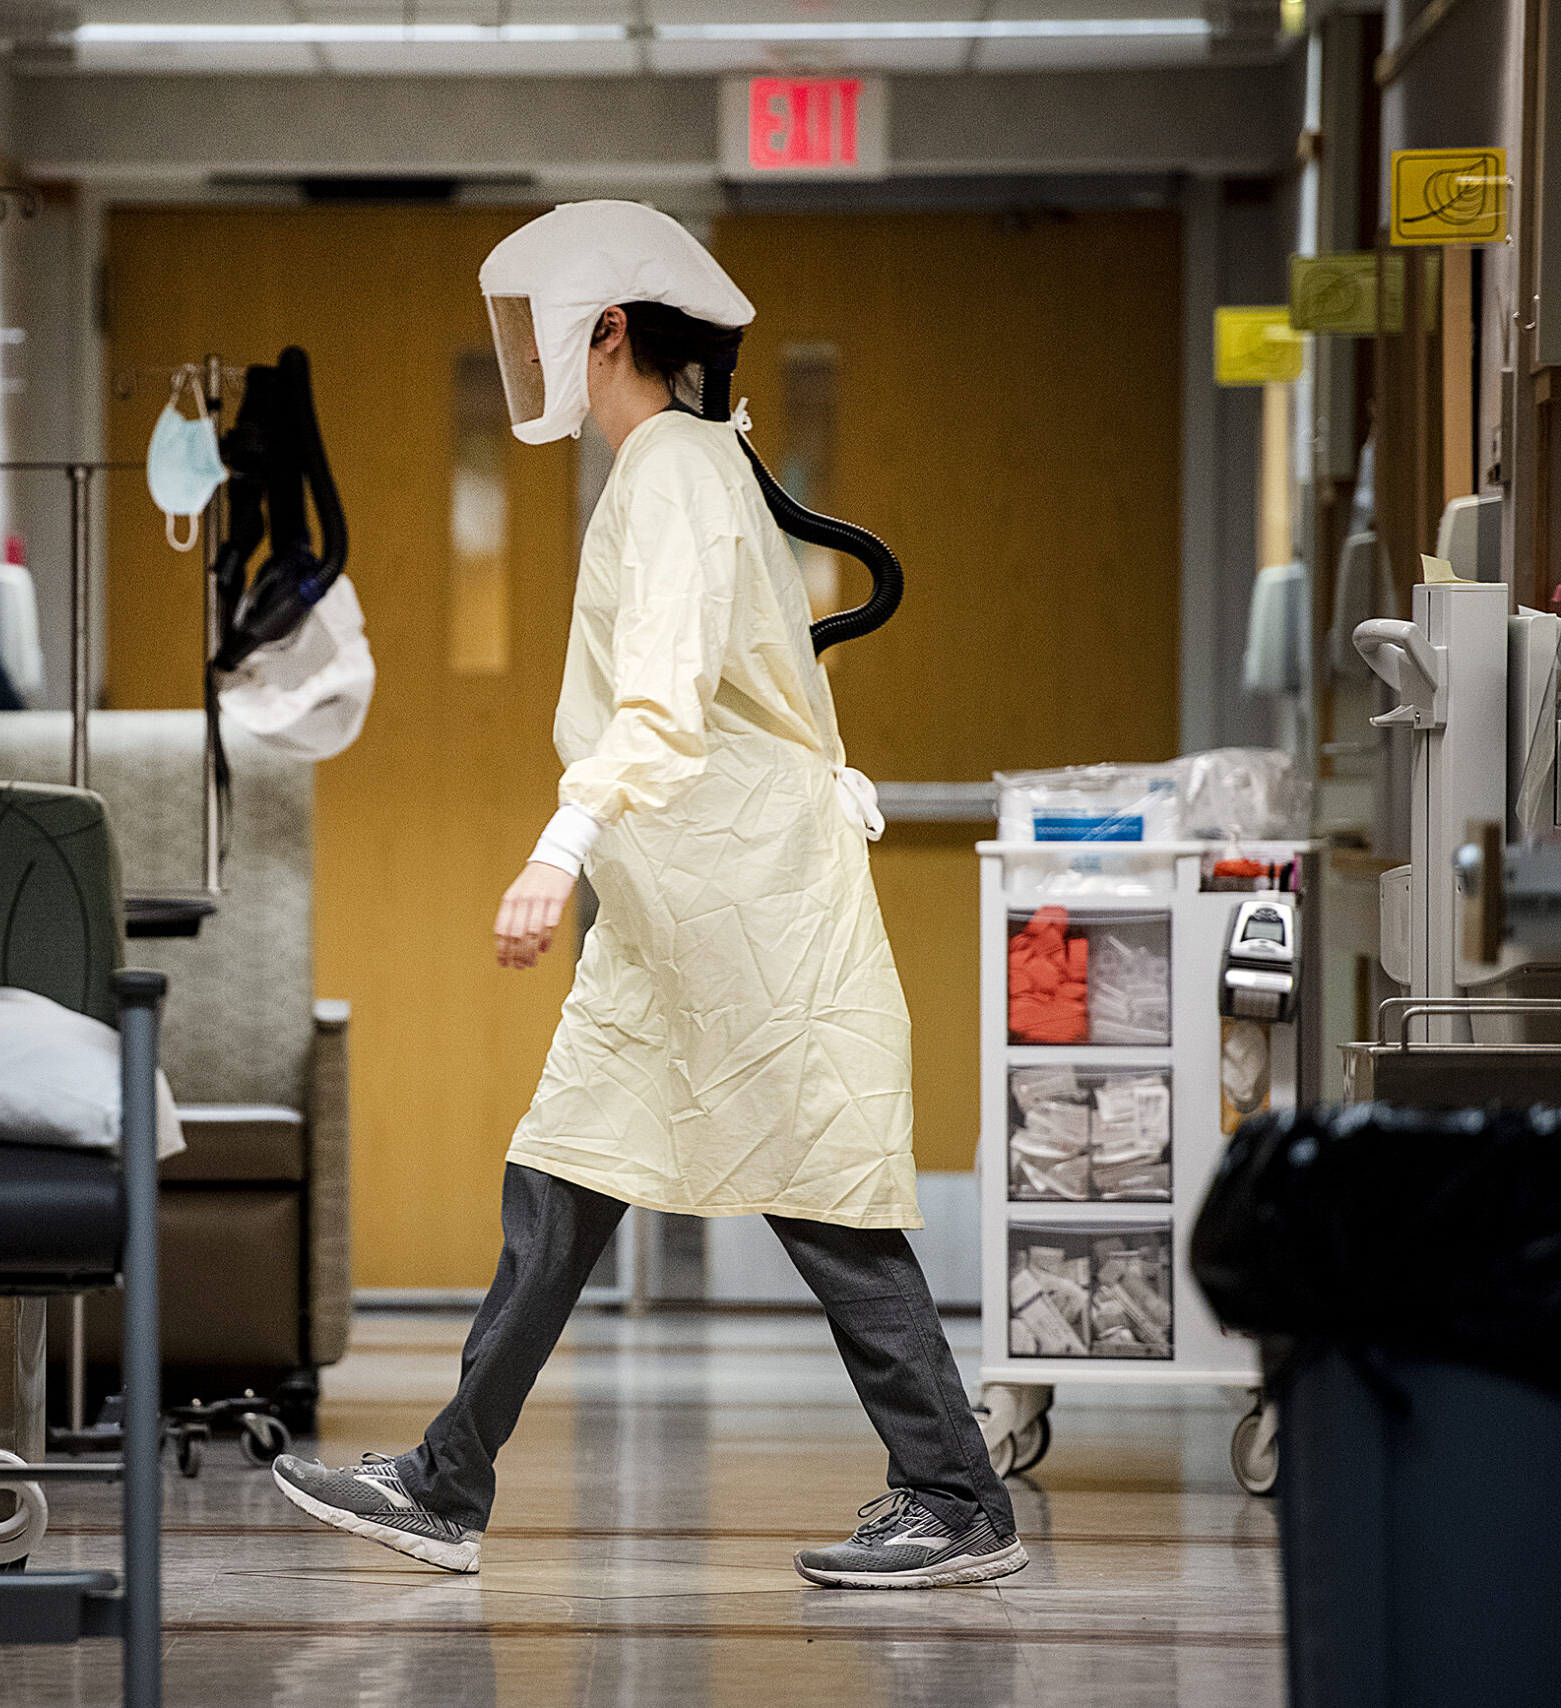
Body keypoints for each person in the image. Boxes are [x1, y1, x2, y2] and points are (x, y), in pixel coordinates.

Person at [270, 201, 1024, 1591]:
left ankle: (958, 1497)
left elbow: (663, 703)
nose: (528, 355)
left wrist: (557, 846)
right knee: (564, 1169)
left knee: (826, 1196)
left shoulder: (675, 470)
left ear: (607, 328)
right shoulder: (683, 466)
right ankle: (445, 1482)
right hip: (685, 907)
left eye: (547, 326)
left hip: (747, 905)